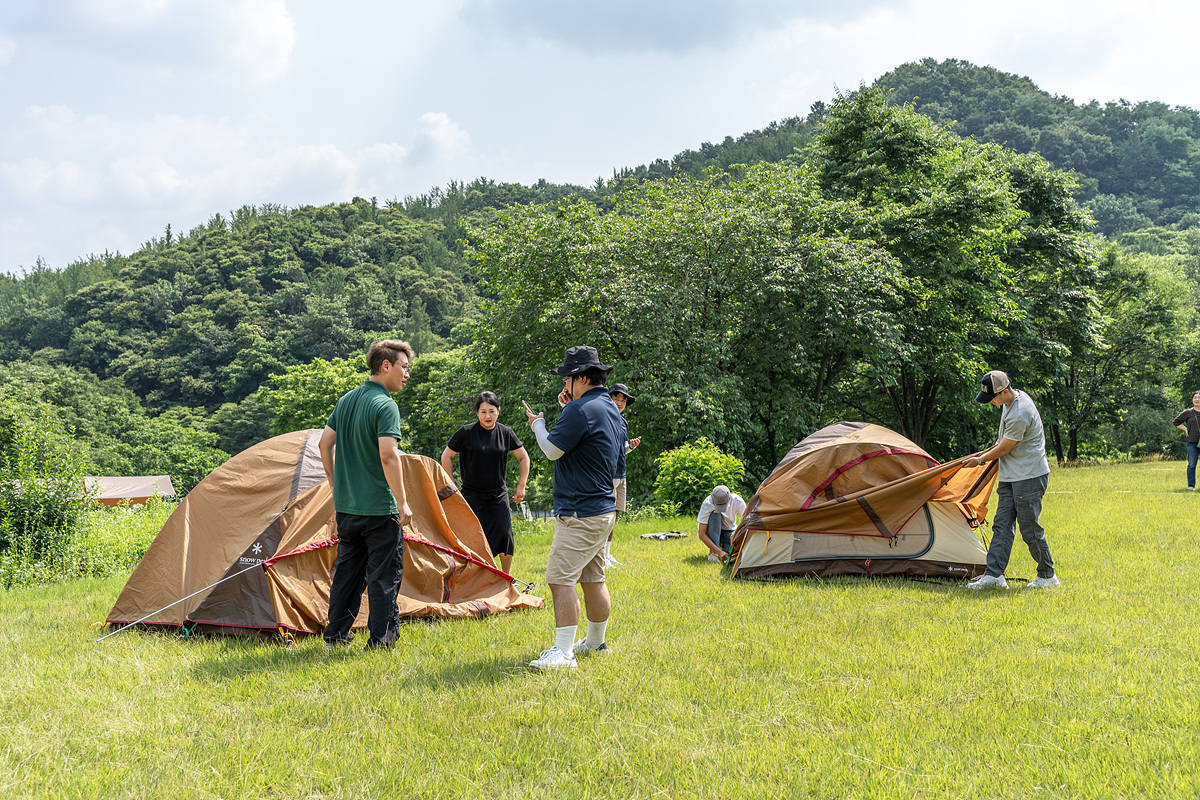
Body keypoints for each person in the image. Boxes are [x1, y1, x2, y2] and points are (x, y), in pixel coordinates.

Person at [522, 345, 623, 670]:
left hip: (580, 512)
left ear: (580, 377)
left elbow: (551, 450)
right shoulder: (609, 409)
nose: (564, 384)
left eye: (567, 377)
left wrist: (538, 423)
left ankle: (563, 653)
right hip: (603, 510)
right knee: (593, 578)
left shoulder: (579, 411)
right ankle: (595, 642)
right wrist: (572, 405)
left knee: (560, 578)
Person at [319, 340, 415, 651]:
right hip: (378, 509)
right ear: (385, 366)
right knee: (383, 576)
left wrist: (335, 483)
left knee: (347, 571)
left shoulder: (346, 400)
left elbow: (324, 444)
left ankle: (335, 635)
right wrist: (402, 502)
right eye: (403, 367)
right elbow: (389, 455)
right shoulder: (385, 405)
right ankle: (381, 641)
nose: (406, 374)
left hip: (347, 508)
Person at [963, 370, 1060, 590]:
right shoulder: (1009, 401)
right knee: (1002, 525)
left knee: (1029, 527)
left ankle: (1047, 576)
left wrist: (979, 460)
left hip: (1029, 476)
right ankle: (994, 576)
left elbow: (1005, 448)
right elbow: (1002, 443)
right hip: (1011, 475)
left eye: (993, 398)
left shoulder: (1020, 412)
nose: (991, 403)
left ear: (1005, 391)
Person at [440, 391, 530, 574]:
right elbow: (446, 456)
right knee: (472, 538)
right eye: (483, 411)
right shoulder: (466, 432)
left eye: (491, 411)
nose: (487, 416)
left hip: (498, 494)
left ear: (498, 411)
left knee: (505, 534)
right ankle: (473, 577)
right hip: (471, 495)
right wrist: (451, 484)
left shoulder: (506, 433)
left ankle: (505, 576)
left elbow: (524, 458)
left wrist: (522, 485)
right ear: (477, 413)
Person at [605, 382, 641, 567]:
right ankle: (600, 556)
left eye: (623, 400)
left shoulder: (624, 422)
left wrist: (631, 446)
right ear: (609, 398)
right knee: (606, 514)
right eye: (616, 398)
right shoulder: (604, 418)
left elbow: (622, 449)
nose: (619, 402)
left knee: (615, 514)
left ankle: (607, 554)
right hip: (607, 473)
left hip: (621, 473)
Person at [697, 485, 746, 563]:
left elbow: (746, 523)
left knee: (730, 552)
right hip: (712, 531)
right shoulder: (707, 503)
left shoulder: (738, 501)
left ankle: (722, 546)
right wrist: (719, 552)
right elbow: (702, 534)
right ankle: (713, 552)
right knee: (715, 515)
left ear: (730, 497)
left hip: (729, 531)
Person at [1172, 391, 1200, 491]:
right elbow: (1175, 422)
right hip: (1192, 442)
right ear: (1192, 400)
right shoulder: (1188, 412)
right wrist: (1185, 429)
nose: (1197, 399)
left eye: (1199, 397)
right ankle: (1191, 486)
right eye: (1195, 397)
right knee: (1192, 464)